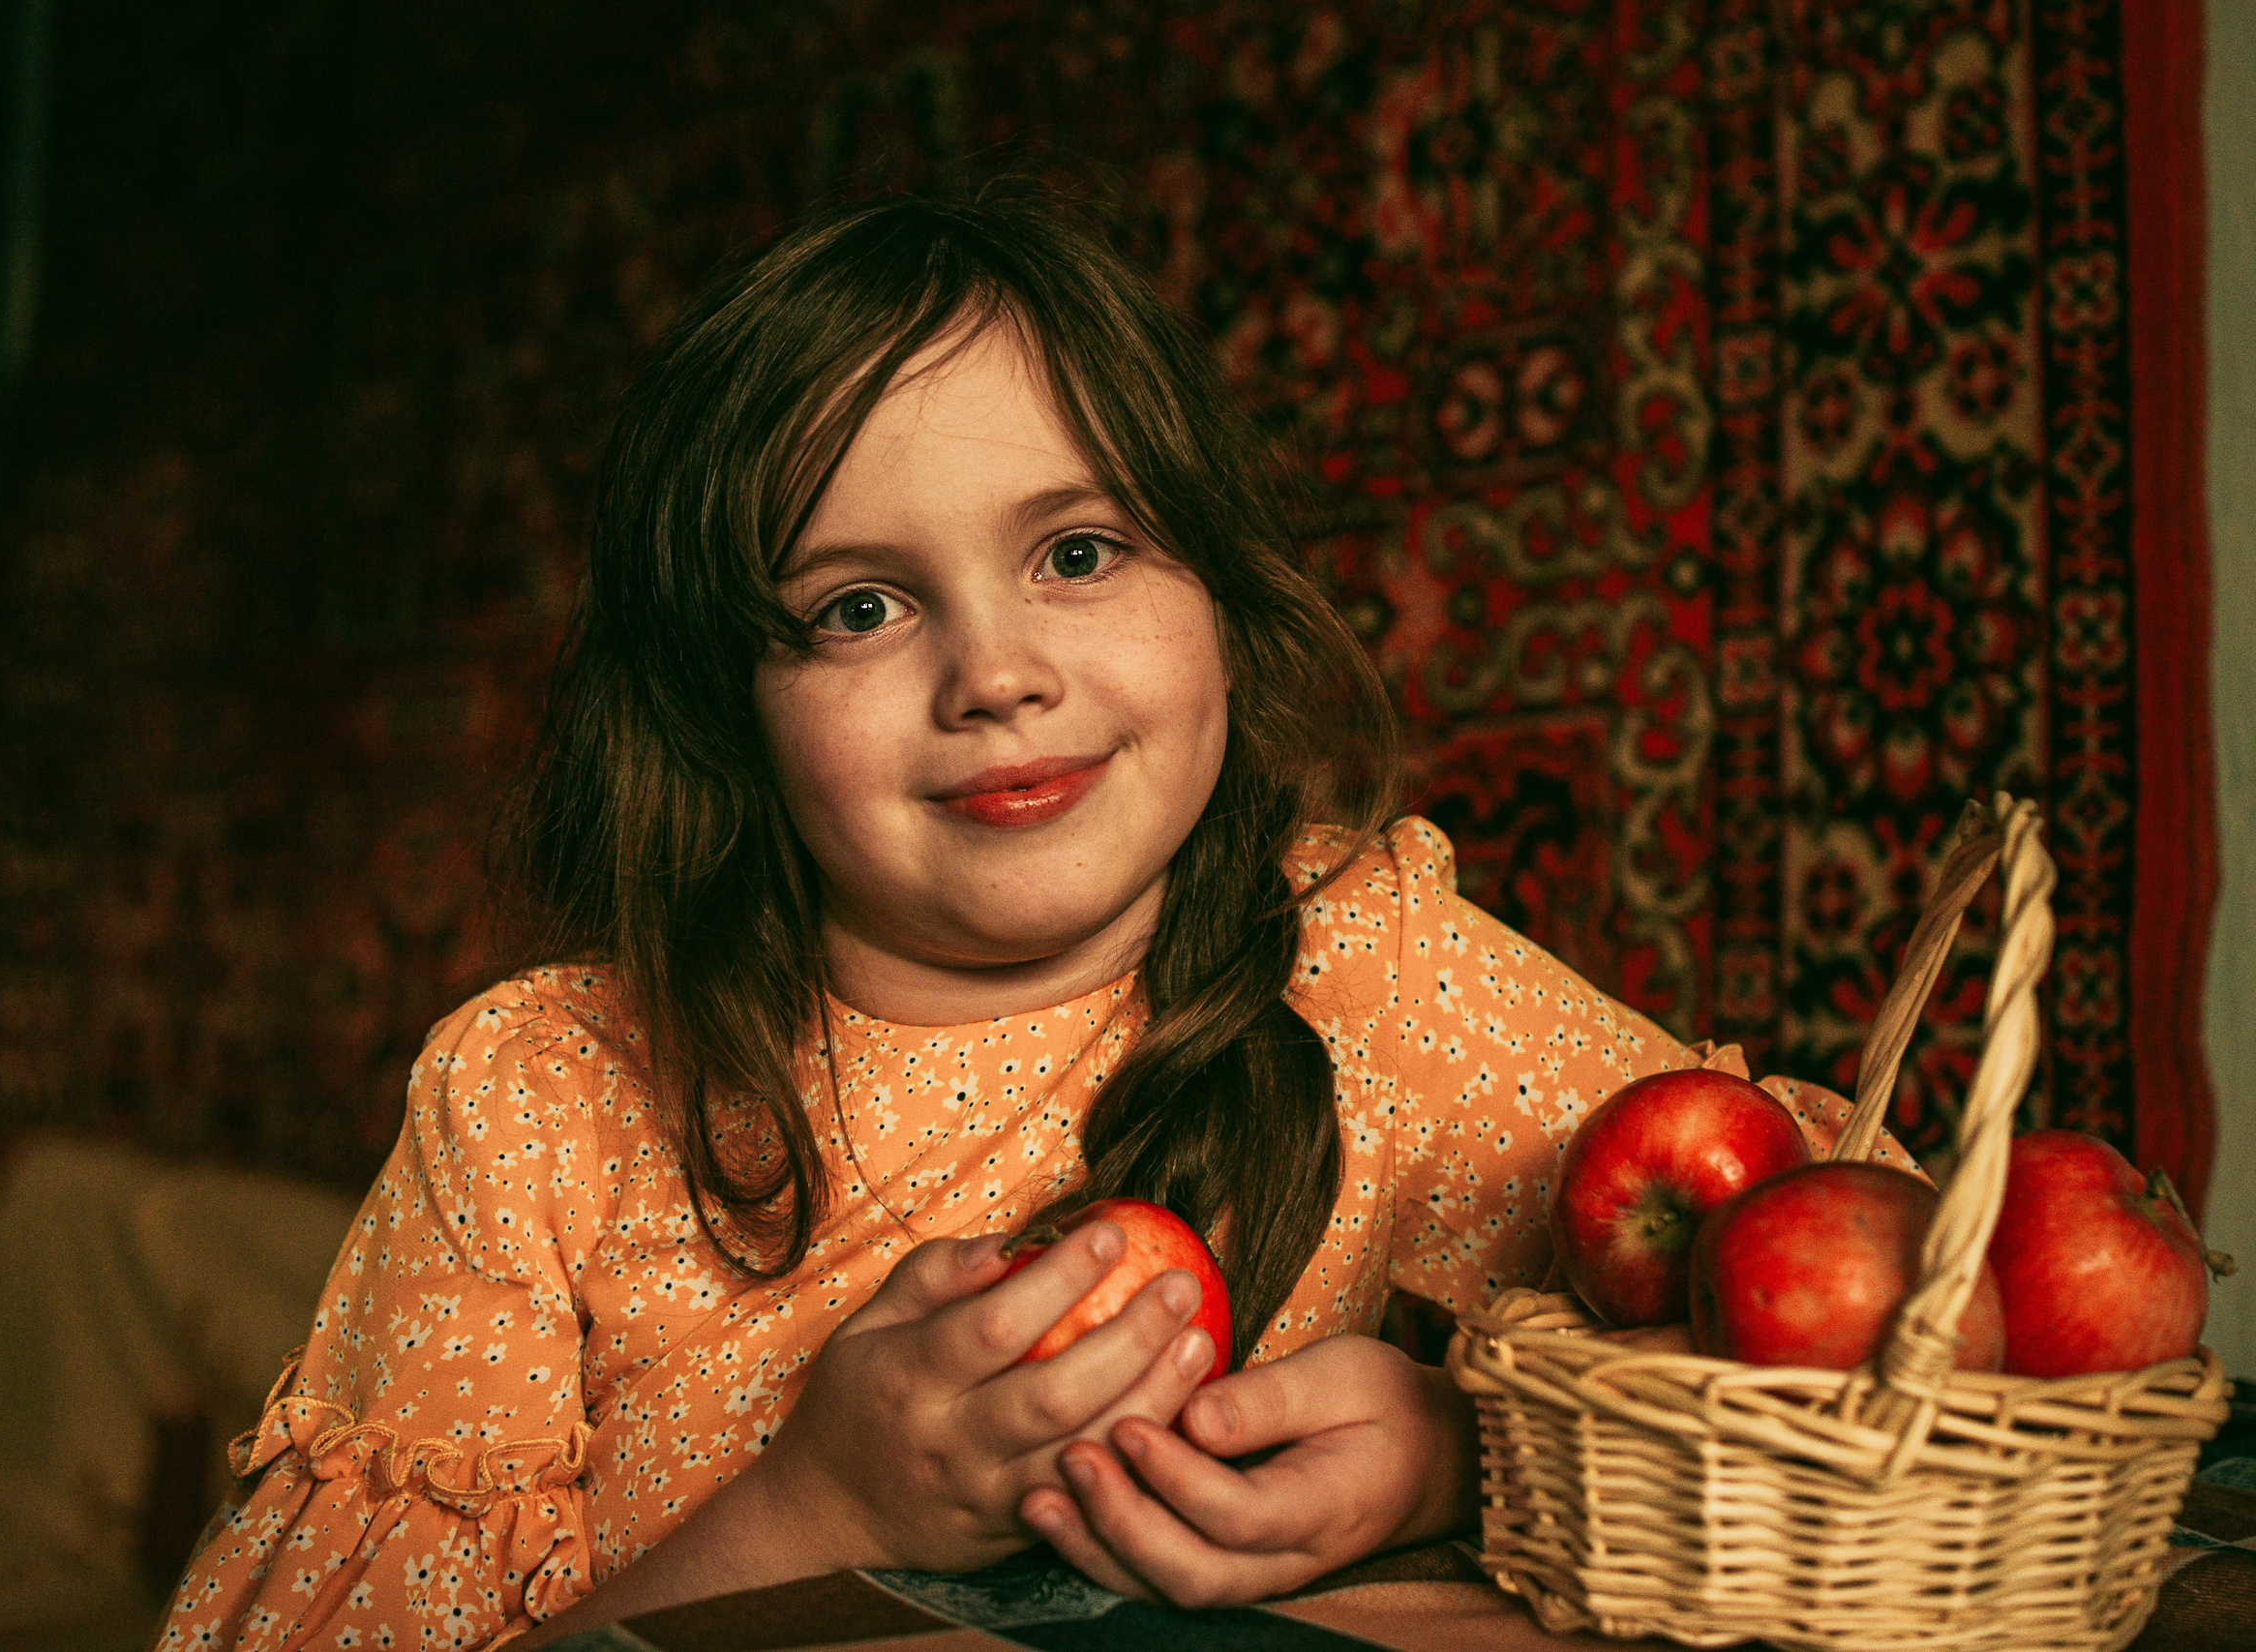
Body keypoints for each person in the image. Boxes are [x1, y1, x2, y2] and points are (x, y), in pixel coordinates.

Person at [157, 186, 1892, 1651]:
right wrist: (815, 1502)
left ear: (1216, 581)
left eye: (1078, 553)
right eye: (855, 607)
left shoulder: (1365, 960)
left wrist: (1465, 1447)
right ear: (722, 708)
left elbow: (1846, 1308)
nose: (995, 676)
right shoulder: (542, 1097)